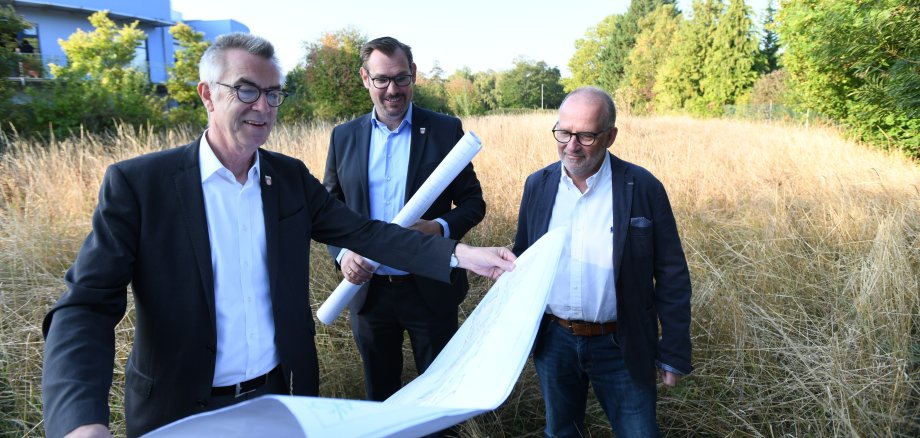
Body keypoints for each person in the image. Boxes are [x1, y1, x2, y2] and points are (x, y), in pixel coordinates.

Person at [41, 33, 515, 438]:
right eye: (246, 91)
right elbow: (85, 306)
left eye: (273, 94)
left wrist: (461, 254)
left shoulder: (288, 180)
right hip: (182, 411)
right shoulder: (140, 186)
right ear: (207, 93)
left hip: (281, 401)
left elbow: (367, 233)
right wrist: (81, 421)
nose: (263, 107)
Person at [512, 87, 692, 437]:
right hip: (555, 341)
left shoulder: (642, 187)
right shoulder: (538, 185)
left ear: (610, 136)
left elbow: (671, 273)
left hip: (622, 344)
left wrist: (673, 349)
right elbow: (524, 258)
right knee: (562, 432)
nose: (571, 145)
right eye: (563, 132)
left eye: (587, 135)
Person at [323, 36, 485, 403]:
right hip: (368, 293)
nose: (392, 89)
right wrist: (343, 253)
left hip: (428, 287)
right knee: (380, 398)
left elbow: (474, 203)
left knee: (441, 396)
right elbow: (327, 209)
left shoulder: (446, 131)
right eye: (382, 79)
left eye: (401, 78)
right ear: (365, 78)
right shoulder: (344, 137)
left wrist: (437, 228)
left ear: (413, 74)